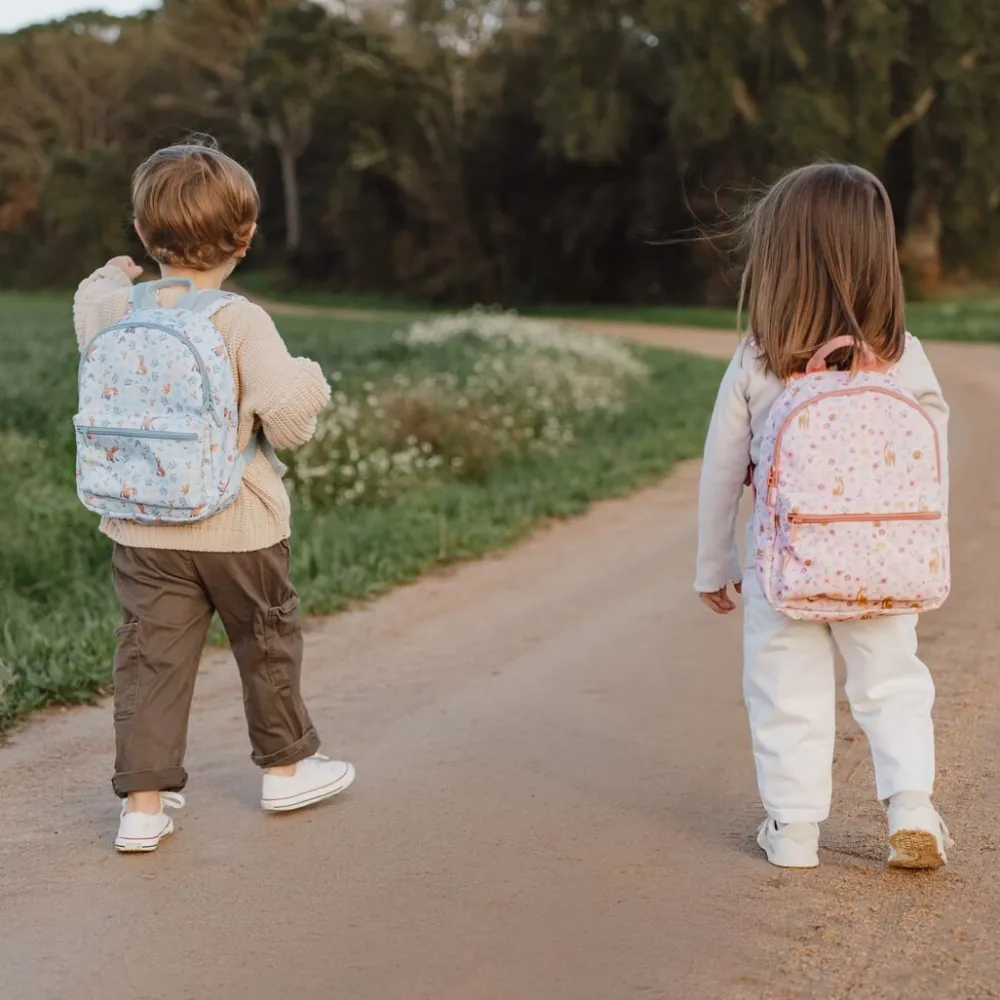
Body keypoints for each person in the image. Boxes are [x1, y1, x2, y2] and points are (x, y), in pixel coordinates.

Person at [73, 138, 355, 853]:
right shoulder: (239, 320)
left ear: (142, 232)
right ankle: (287, 767)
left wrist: (111, 274)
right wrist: (310, 378)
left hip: (140, 529)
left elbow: (92, 297)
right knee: (265, 642)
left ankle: (142, 807)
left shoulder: (114, 313)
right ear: (248, 236)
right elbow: (289, 424)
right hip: (240, 526)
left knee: (149, 659)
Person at [695, 162, 952, 870]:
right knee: (892, 681)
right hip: (885, 563)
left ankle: (795, 830)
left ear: (780, 259)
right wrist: (924, 550)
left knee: (785, 688)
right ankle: (912, 806)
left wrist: (714, 560)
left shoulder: (759, 359)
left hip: (787, 568)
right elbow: (932, 468)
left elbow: (722, 470)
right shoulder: (906, 359)